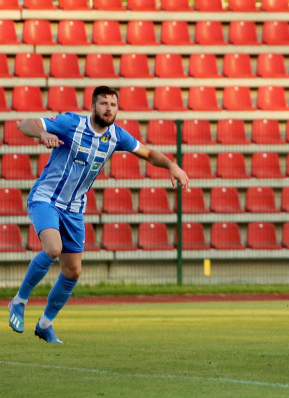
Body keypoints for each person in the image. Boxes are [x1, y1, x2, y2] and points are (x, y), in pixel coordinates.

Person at [7, 87, 189, 343]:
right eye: (103, 103)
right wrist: (43, 133)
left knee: (72, 272)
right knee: (53, 248)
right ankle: (19, 300)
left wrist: (172, 165)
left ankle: (45, 323)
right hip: (46, 199)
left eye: (113, 104)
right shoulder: (72, 123)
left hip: (75, 209)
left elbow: (147, 153)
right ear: (93, 106)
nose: (109, 108)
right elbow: (24, 124)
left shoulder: (116, 136)